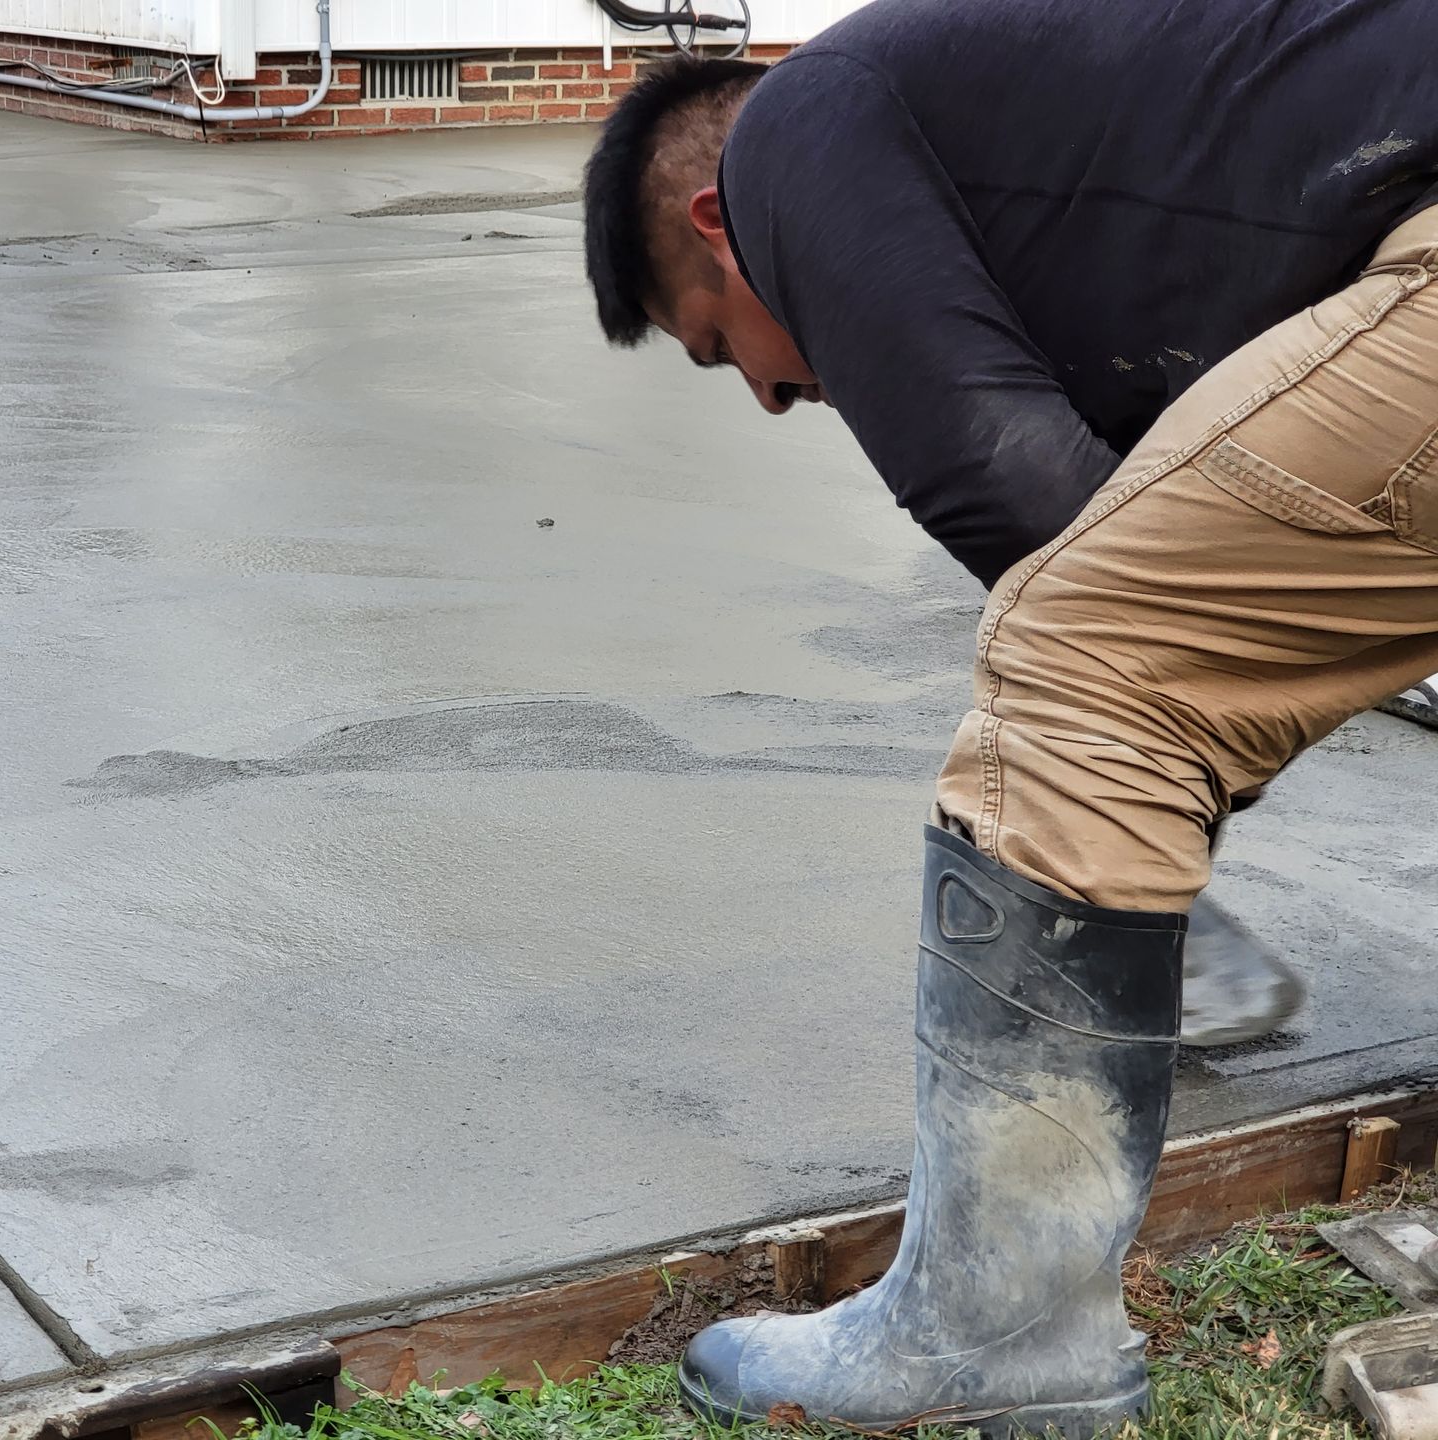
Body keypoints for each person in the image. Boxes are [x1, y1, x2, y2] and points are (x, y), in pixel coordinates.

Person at [582, 0, 1436, 1433]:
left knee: (1077, 656)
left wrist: (1128, 866)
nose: (776, 398)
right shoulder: (1056, 131)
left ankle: (996, 1341)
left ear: (719, 221)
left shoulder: (793, 132)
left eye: (719, 345)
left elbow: (1040, 519)